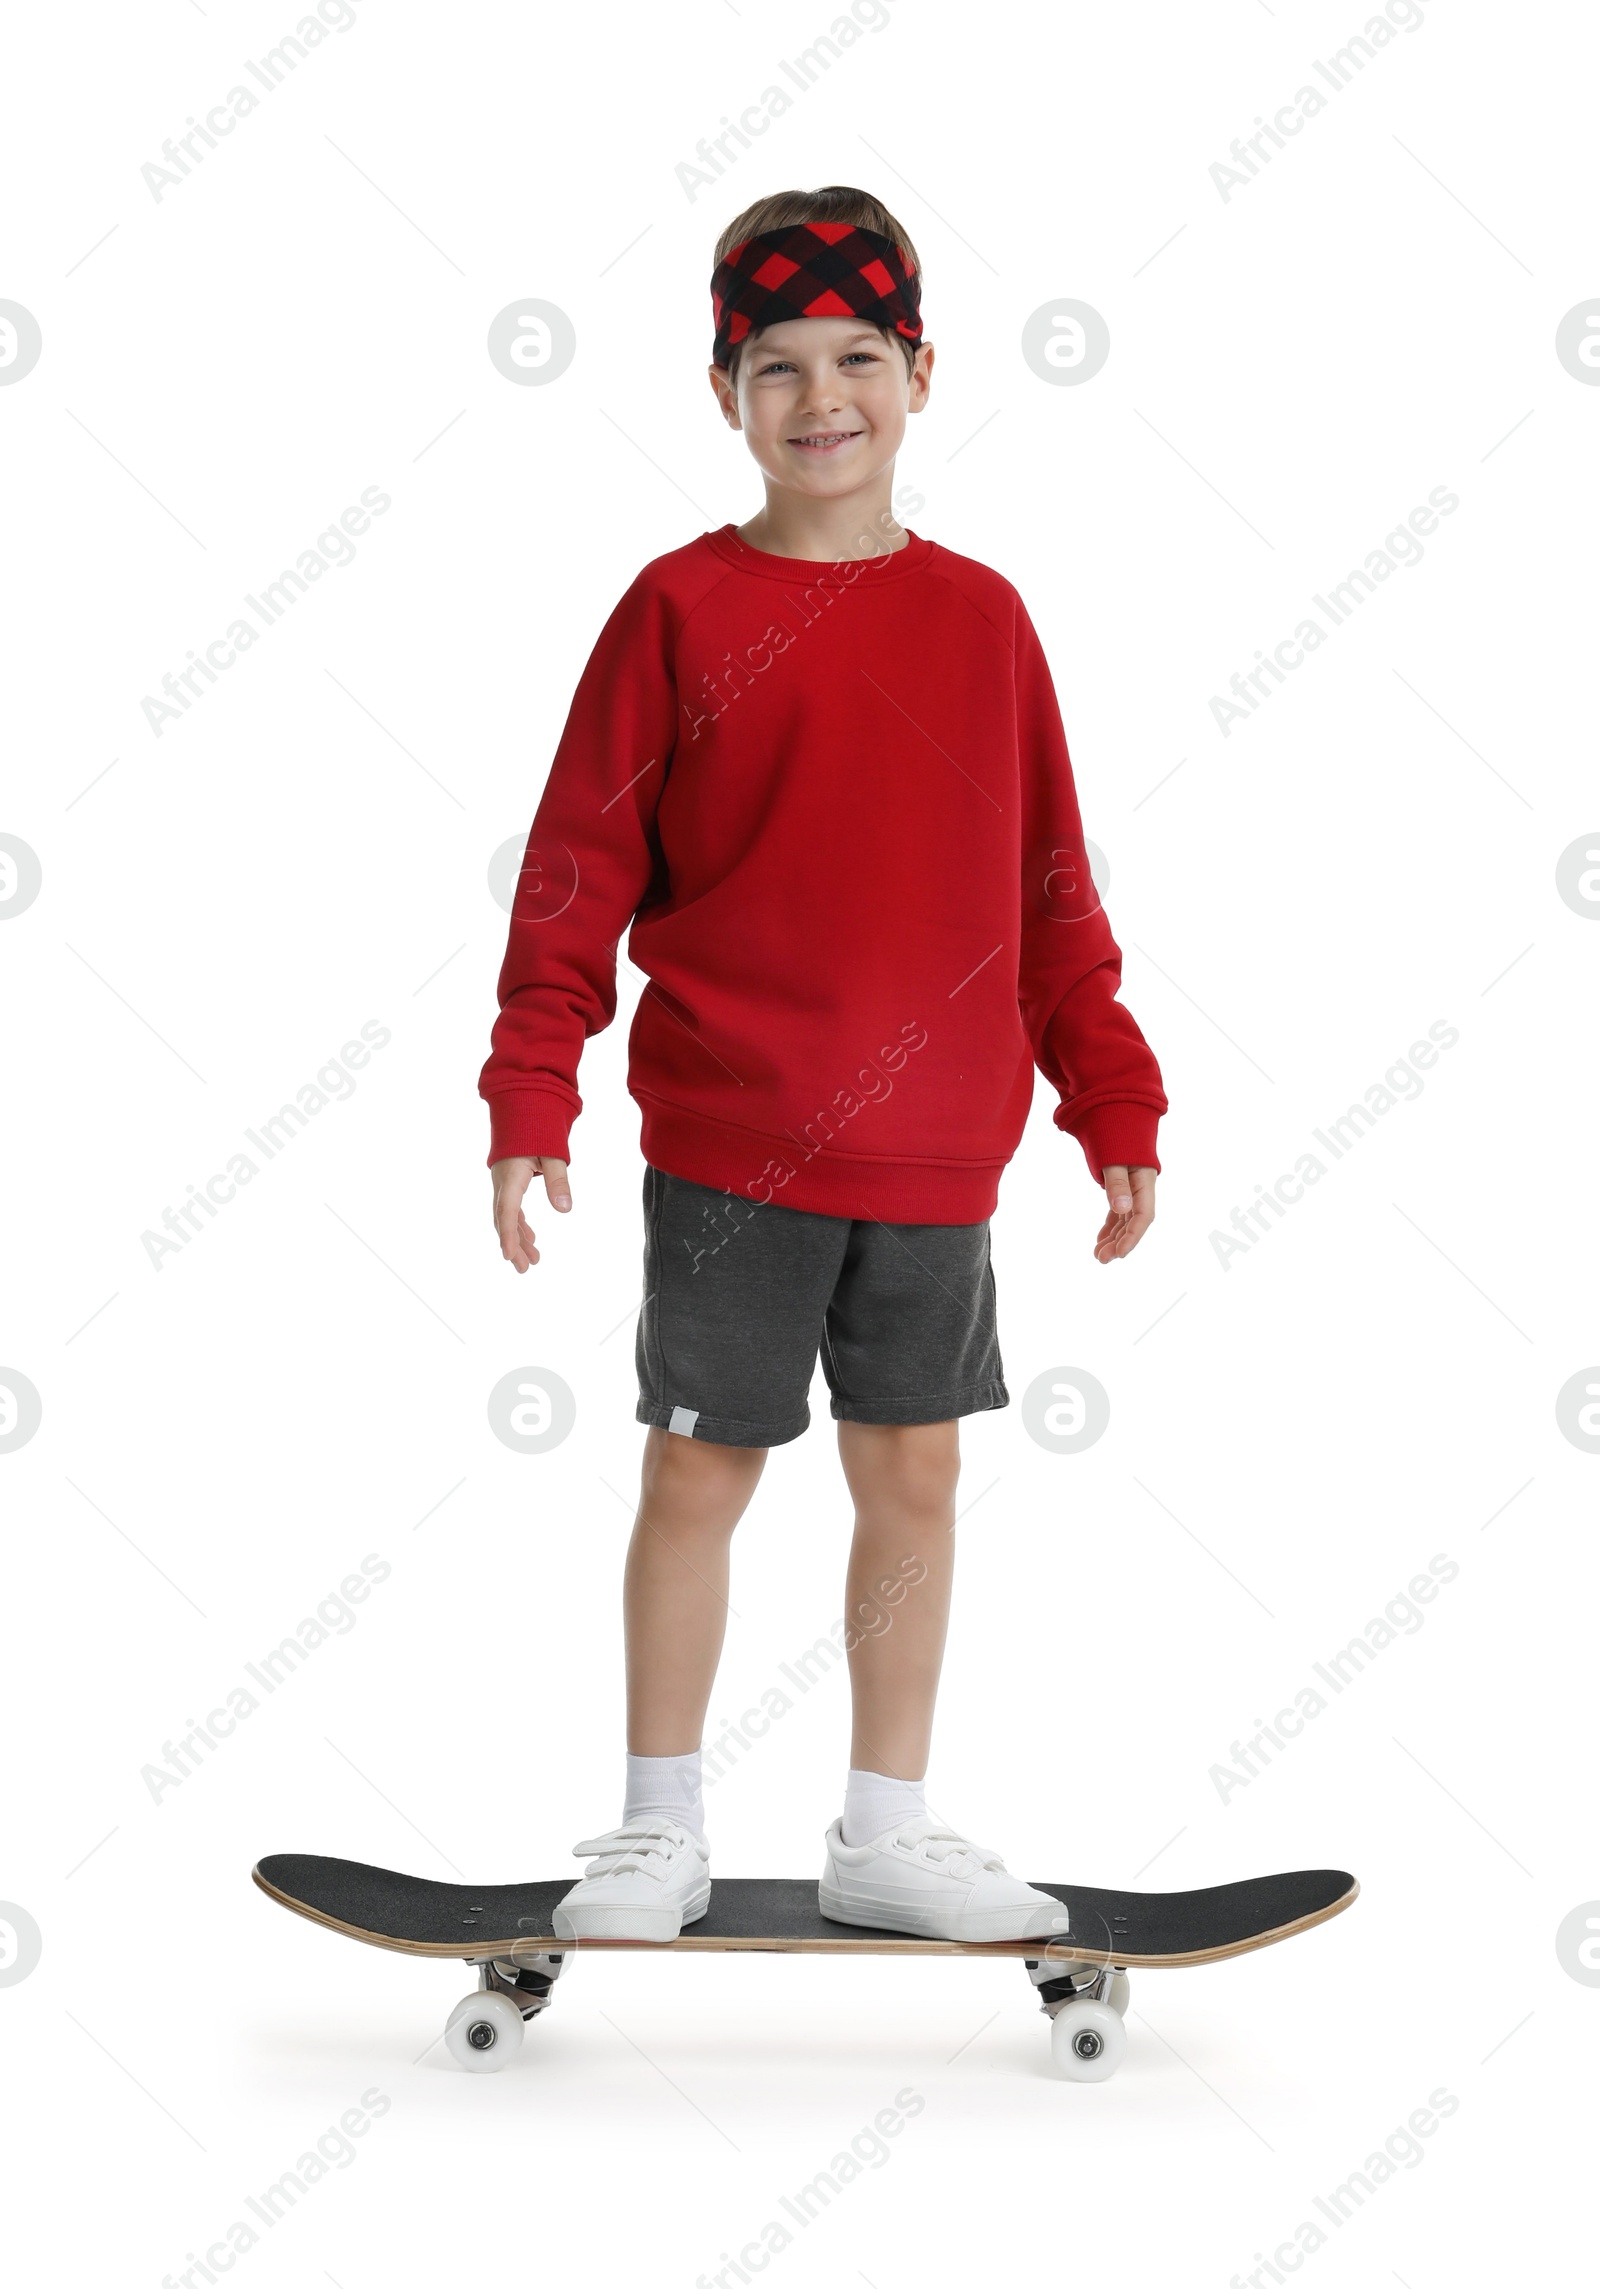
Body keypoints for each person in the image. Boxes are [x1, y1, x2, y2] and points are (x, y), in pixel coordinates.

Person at [479, 184, 1166, 1945]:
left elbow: (1051, 887)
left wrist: (1113, 1098)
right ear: (726, 393)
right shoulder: (677, 610)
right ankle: (653, 1825)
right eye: (776, 366)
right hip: (732, 1142)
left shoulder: (986, 623)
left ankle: (887, 1824)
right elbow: (579, 865)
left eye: (857, 356)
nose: (820, 396)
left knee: (914, 1472)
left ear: (921, 374)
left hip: (938, 1154)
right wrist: (530, 1087)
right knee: (698, 1470)